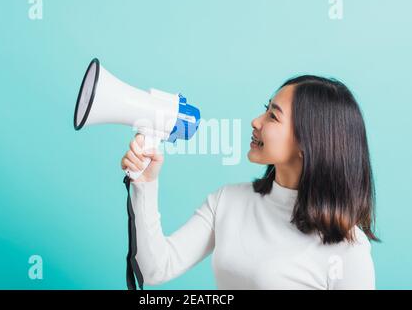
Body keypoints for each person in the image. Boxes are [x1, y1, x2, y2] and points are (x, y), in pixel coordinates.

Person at [121, 75, 379, 289]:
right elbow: (154, 269)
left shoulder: (348, 250)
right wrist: (144, 184)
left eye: (273, 116)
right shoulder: (228, 202)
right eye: (266, 109)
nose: (256, 121)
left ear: (308, 142)